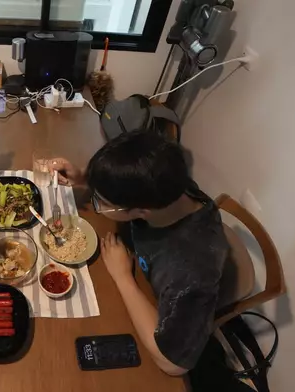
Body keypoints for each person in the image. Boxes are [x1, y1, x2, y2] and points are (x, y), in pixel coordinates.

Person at [52, 131, 229, 376]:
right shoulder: (169, 184)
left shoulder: (191, 270)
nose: (97, 205)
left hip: (151, 303)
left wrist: (123, 276)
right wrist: (87, 178)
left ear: (141, 211)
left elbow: (173, 364)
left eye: (101, 201)